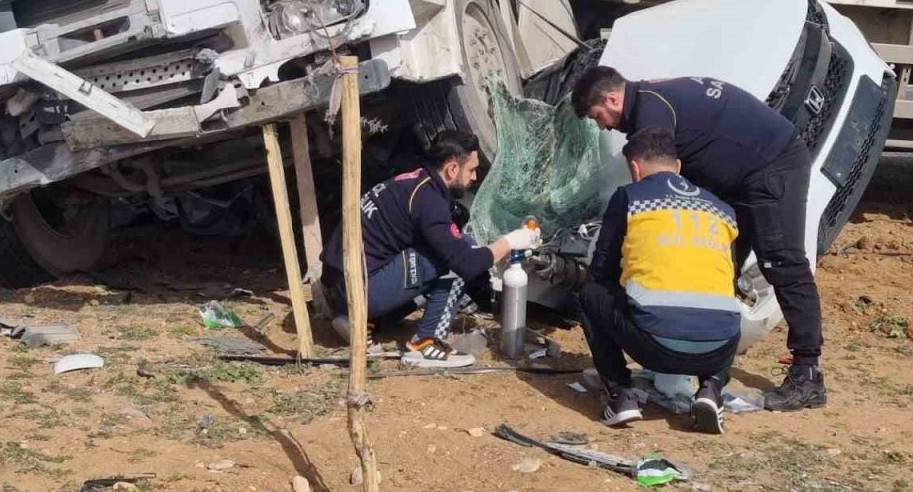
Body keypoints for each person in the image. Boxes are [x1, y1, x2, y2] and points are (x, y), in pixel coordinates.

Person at [571, 64, 826, 411]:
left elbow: (652, 187)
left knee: (782, 261)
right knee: (716, 269)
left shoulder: (652, 112)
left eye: (595, 114)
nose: (600, 125)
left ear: (612, 98)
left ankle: (807, 373)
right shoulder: (649, 98)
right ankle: (698, 369)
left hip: (773, 164)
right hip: (738, 177)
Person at [320, 130, 541, 368]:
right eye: (472, 170)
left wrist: (492, 252)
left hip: (337, 284)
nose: (475, 177)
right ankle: (425, 343)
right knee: (454, 262)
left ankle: (365, 321)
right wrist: (511, 241)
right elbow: (465, 262)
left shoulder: (415, 181)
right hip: (355, 291)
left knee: (455, 247)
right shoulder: (428, 200)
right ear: (452, 169)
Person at [577, 128, 740, 434]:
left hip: (655, 346)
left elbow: (602, 270)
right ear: (678, 166)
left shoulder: (630, 198)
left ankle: (621, 395)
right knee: (720, 300)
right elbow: (730, 276)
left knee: (590, 292)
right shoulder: (723, 209)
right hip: (719, 346)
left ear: (634, 168)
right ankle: (712, 389)